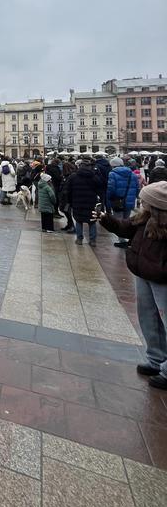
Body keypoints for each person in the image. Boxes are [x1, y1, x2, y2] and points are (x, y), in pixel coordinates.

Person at [97, 182, 167, 389]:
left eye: (145, 199)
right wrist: (106, 219)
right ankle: (156, 358)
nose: (141, 201)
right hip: (143, 274)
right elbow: (124, 228)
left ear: (157, 205)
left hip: (161, 278)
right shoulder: (143, 218)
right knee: (148, 317)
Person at [65, 157, 103, 246]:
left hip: (77, 202)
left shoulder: (73, 176)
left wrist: (70, 201)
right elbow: (100, 189)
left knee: (78, 220)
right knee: (92, 221)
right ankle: (92, 240)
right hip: (91, 202)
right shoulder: (94, 177)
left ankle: (79, 239)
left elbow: (68, 190)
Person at [106, 156, 140, 248]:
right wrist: (135, 197)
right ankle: (125, 238)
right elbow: (137, 188)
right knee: (126, 220)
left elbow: (110, 189)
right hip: (129, 201)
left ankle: (121, 240)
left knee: (118, 222)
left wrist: (109, 199)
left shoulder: (112, 174)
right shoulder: (132, 174)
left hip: (118, 201)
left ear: (113, 165)